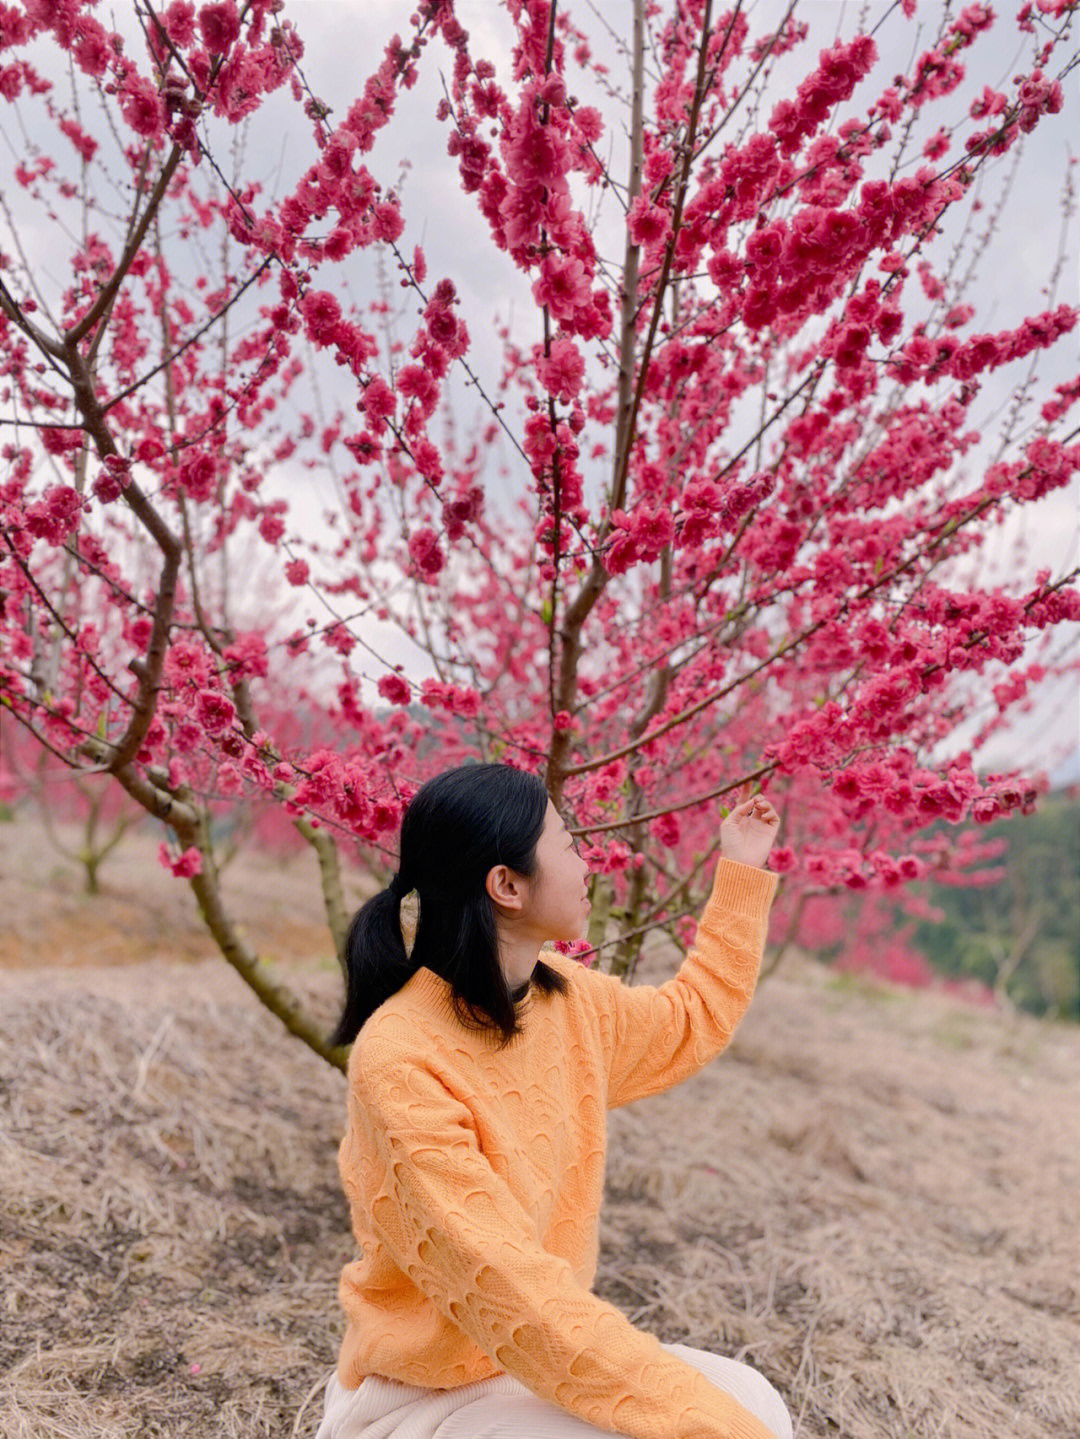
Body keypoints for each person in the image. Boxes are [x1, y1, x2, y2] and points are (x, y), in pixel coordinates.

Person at [315, 762, 790, 1439]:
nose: (586, 862)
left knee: (756, 1401)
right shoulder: (401, 1058)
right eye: (567, 843)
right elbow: (512, 1292)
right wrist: (702, 1422)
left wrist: (741, 870)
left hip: (525, 1368)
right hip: (420, 1397)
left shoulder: (567, 998)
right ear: (506, 884)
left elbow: (691, 1017)